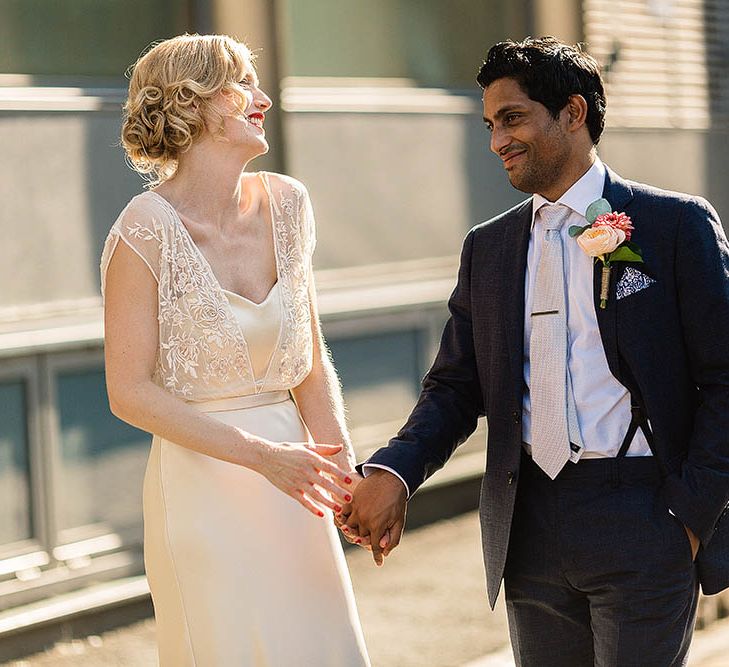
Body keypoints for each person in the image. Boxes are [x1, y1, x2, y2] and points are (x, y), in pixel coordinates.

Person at [339, 36, 729, 665]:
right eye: (491, 124)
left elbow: (725, 378)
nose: (497, 141)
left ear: (573, 113)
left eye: (513, 118)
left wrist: (689, 516)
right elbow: (455, 386)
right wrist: (395, 470)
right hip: (529, 525)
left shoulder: (675, 226)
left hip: (645, 513)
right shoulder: (488, 248)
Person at [100, 34, 370, 666]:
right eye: (244, 84)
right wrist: (261, 458)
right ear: (194, 102)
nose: (264, 99)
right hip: (203, 485)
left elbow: (307, 360)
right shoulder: (143, 229)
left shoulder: (288, 203)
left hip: (297, 484)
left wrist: (344, 473)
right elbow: (128, 391)